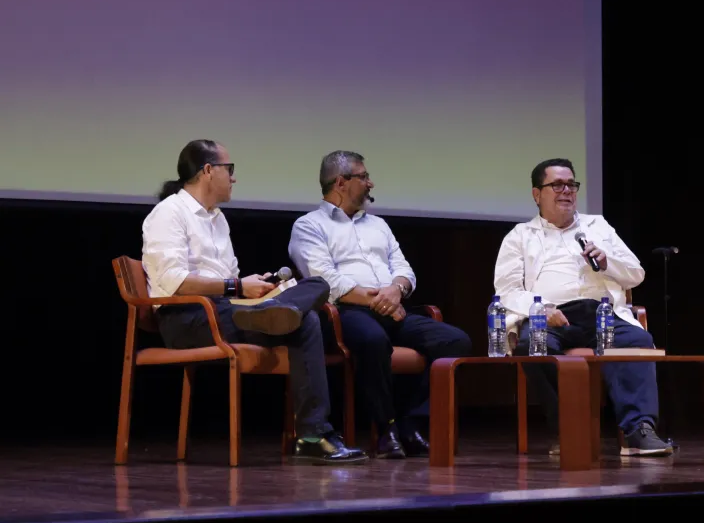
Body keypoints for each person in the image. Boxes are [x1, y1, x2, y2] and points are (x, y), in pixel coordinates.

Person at [142, 139, 367, 465]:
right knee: (302, 317)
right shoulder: (169, 213)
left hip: (227, 311)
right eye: (229, 169)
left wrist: (256, 287)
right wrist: (237, 287)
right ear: (208, 170)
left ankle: (312, 435)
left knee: (314, 293)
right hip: (187, 318)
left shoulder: (218, 219)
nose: (234, 177)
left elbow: (231, 284)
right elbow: (176, 281)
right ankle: (273, 318)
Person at [288, 150, 472, 459]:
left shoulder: (378, 225)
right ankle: (386, 429)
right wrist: (378, 300)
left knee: (455, 341)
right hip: (344, 313)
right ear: (341, 182)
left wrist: (396, 291)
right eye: (363, 177)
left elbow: (404, 269)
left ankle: (411, 423)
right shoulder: (309, 226)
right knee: (373, 340)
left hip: (392, 307)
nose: (370, 183)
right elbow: (325, 280)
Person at [493, 158, 673, 457]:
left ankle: (638, 432)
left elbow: (636, 274)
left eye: (571, 185)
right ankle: (567, 428)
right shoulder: (520, 235)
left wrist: (608, 262)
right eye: (557, 185)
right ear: (537, 194)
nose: (566, 191)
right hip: (551, 316)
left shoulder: (597, 226)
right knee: (531, 345)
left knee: (637, 340)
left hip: (601, 314)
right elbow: (507, 290)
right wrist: (541, 309)